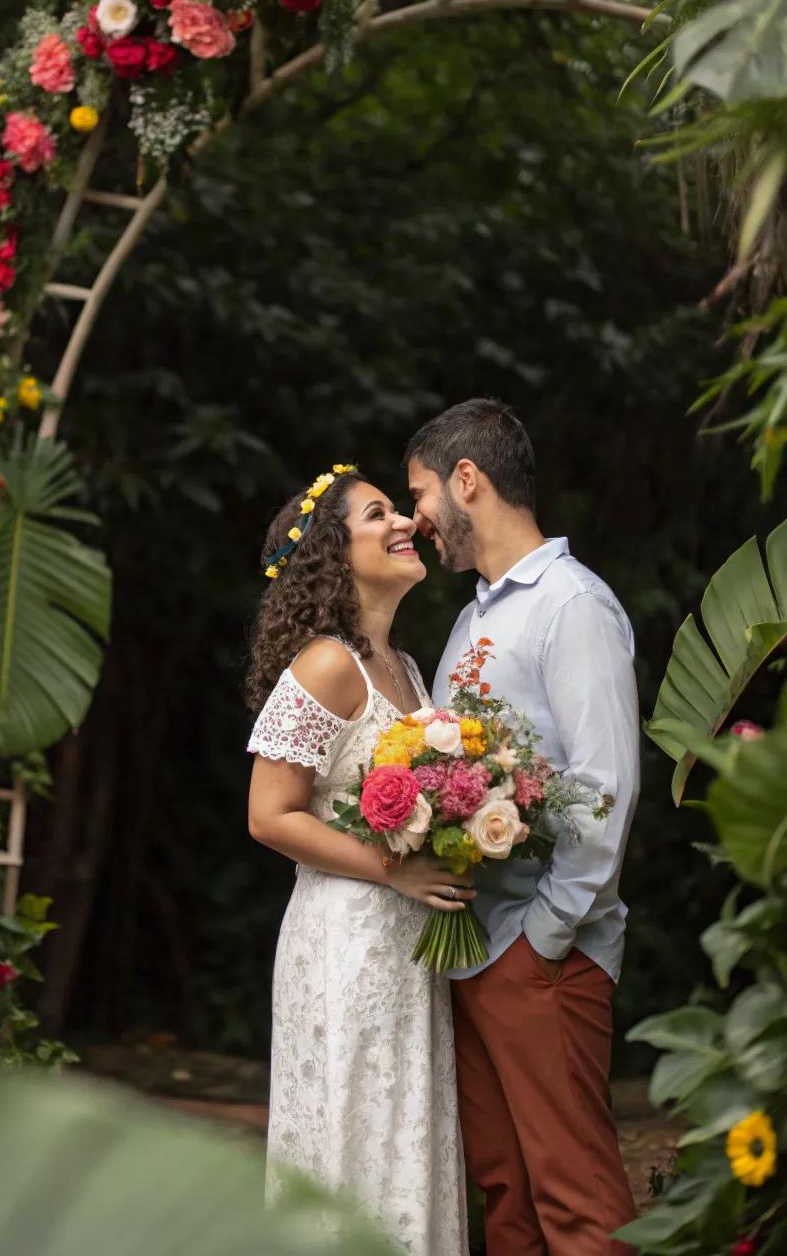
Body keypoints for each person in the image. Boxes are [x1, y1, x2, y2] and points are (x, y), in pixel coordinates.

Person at [405, 398, 640, 1256]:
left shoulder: (572, 605)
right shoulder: (472, 616)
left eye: (421, 493)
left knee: (576, 1200)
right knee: (506, 1200)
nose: (417, 519)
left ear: (467, 480)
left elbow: (603, 787)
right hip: (474, 945)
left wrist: (541, 939)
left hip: (544, 953)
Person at [246, 464, 469, 1256]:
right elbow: (267, 815)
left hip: (408, 949)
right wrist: (390, 870)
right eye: (379, 514)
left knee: (406, 1135)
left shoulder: (405, 669)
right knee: (352, 1136)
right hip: (344, 940)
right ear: (337, 554)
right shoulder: (326, 664)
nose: (403, 522)